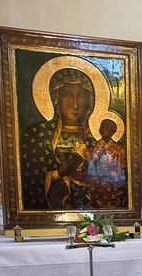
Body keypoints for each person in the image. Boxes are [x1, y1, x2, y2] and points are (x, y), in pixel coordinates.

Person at [20, 68, 97, 210]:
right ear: (56, 99)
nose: (75, 104)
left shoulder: (95, 139)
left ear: (89, 101)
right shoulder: (38, 134)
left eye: (80, 96)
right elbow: (29, 179)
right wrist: (58, 173)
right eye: (67, 95)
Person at [86, 118, 128, 208]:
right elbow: (90, 163)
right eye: (103, 127)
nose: (104, 130)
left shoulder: (118, 148)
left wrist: (112, 173)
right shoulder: (95, 146)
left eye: (108, 128)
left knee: (111, 185)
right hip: (97, 175)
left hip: (113, 177)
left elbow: (121, 166)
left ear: (113, 131)